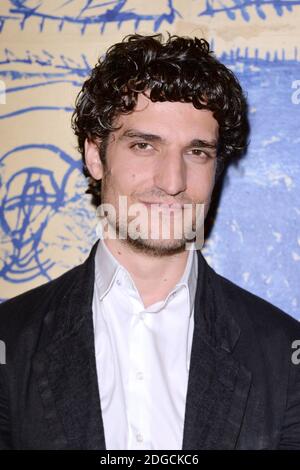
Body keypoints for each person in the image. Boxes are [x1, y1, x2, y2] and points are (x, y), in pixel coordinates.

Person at [0, 33, 299, 450]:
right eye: (144, 145)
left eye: (197, 153)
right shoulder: (10, 342)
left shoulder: (284, 355)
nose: (173, 182)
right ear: (94, 155)